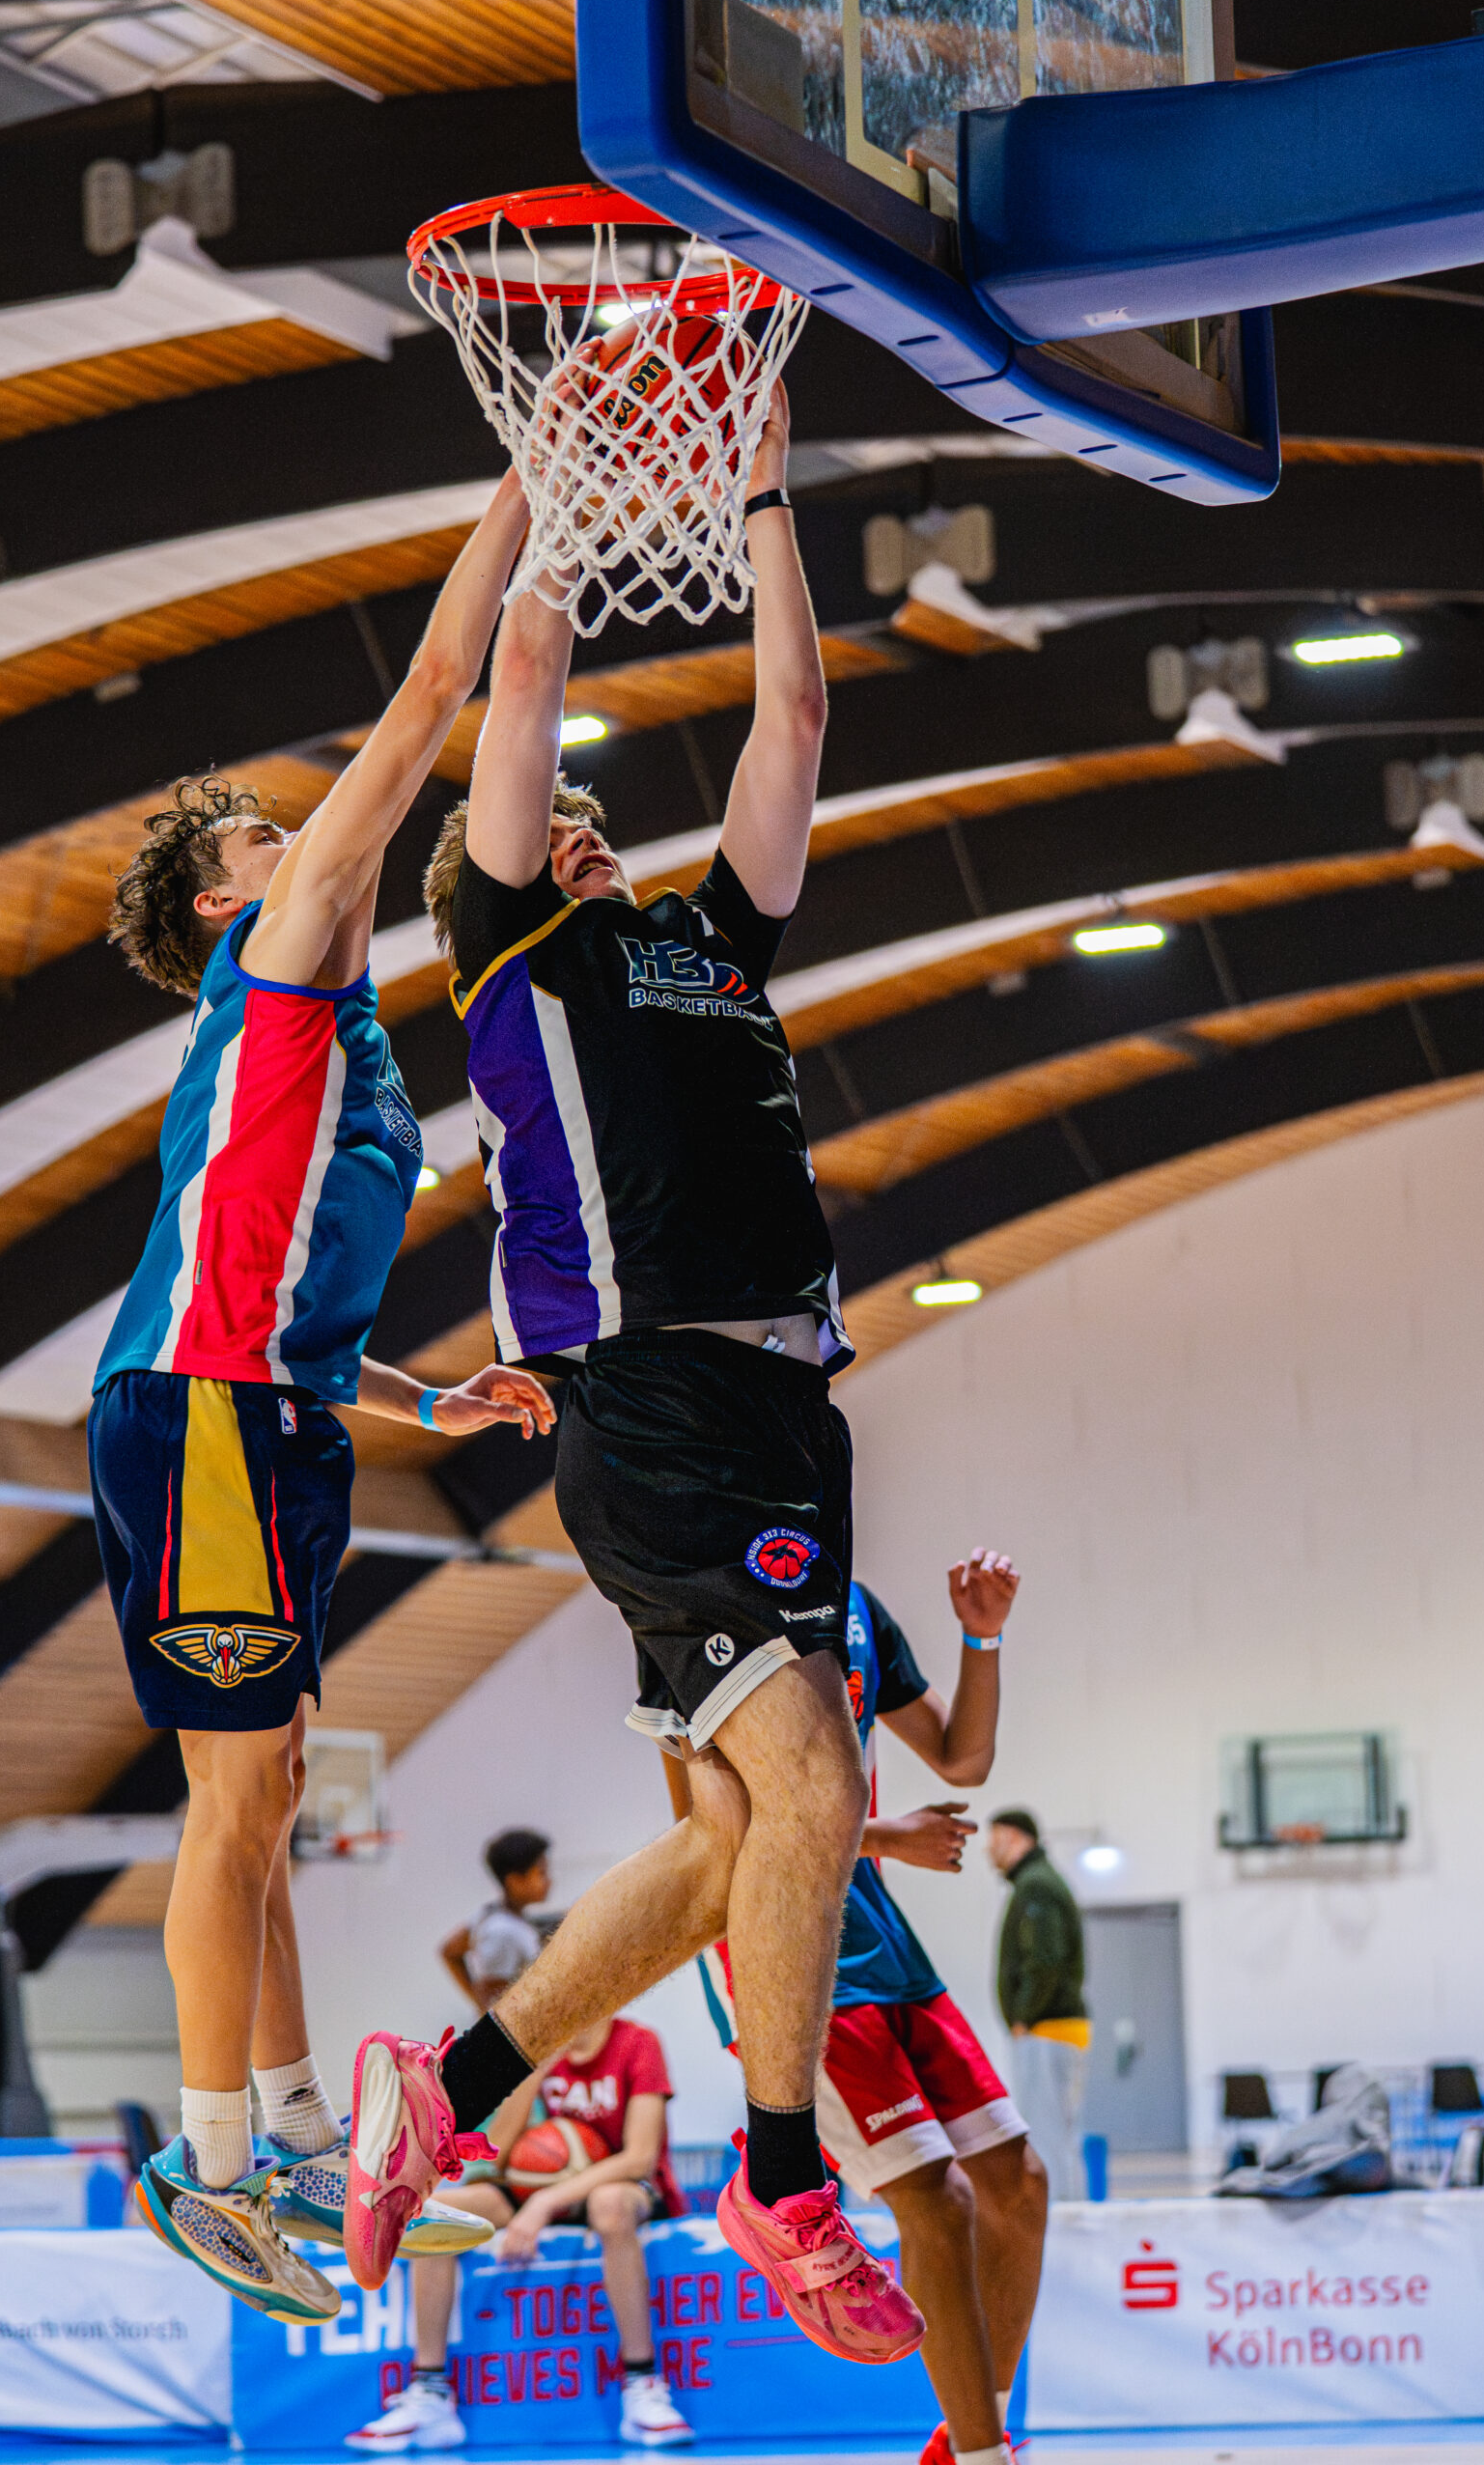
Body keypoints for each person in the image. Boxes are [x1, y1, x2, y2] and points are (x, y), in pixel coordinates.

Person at [343, 380, 924, 2370]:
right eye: (552, 819)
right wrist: (570, 476)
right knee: (813, 1779)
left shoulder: (711, 944)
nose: (580, 818)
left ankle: (450, 2090)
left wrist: (759, 485)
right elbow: (519, 674)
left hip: (782, 1409)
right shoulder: (510, 946)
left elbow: (796, 722)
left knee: (732, 1841)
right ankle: (780, 2172)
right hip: (655, 1400)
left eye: (590, 815)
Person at [90, 471, 557, 2320]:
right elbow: (434, 689)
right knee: (231, 1802)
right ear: (230, 895)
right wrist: (531, 482)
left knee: (270, 1787)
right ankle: (210, 2171)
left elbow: (287, 1301)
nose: (304, 836)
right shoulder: (275, 964)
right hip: (199, 1418)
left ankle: (286, 2135)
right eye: (268, 835)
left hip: (267, 1411)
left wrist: (425, 1411)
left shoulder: (345, 1041)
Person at [692, 1551, 1047, 2465]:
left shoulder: (851, 1604)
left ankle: (971, 2434)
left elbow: (963, 1757)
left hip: (881, 1933)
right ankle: (984, 2453)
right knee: (937, 2197)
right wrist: (886, 1836)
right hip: (781, 1937)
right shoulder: (691, 1599)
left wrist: (981, 1637)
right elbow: (712, 1827)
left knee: (1017, 2182)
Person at [349, 2014, 692, 2453]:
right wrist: (535, 2067)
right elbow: (495, 2155)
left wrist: (544, 2203)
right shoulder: (548, 2042)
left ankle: (642, 2383)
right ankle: (430, 2394)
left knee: (608, 2205)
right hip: (550, 2185)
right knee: (433, 2214)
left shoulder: (638, 2042)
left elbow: (640, 2157)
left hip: (624, 2186)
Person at [989, 1812, 1089, 2202]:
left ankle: (1059, 2222)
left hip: (1046, 2027)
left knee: (1047, 2137)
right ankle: (1066, 2216)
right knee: (1058, 2134)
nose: (988, 1850)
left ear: (1017, 1838)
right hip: (1051, 2027)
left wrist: (1024, 2017)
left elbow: (1045, 1958)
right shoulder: (1038, 1882)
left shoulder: (1037, 1886)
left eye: (995, 1839)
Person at [440, 1828, 552, 2014]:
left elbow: (449, 1949)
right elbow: (493, 2003)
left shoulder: (492, 1914)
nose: (549, 1881)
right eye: (542, 1873)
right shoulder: (502, 1932)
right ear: (515, 1881)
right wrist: (478, 2001)